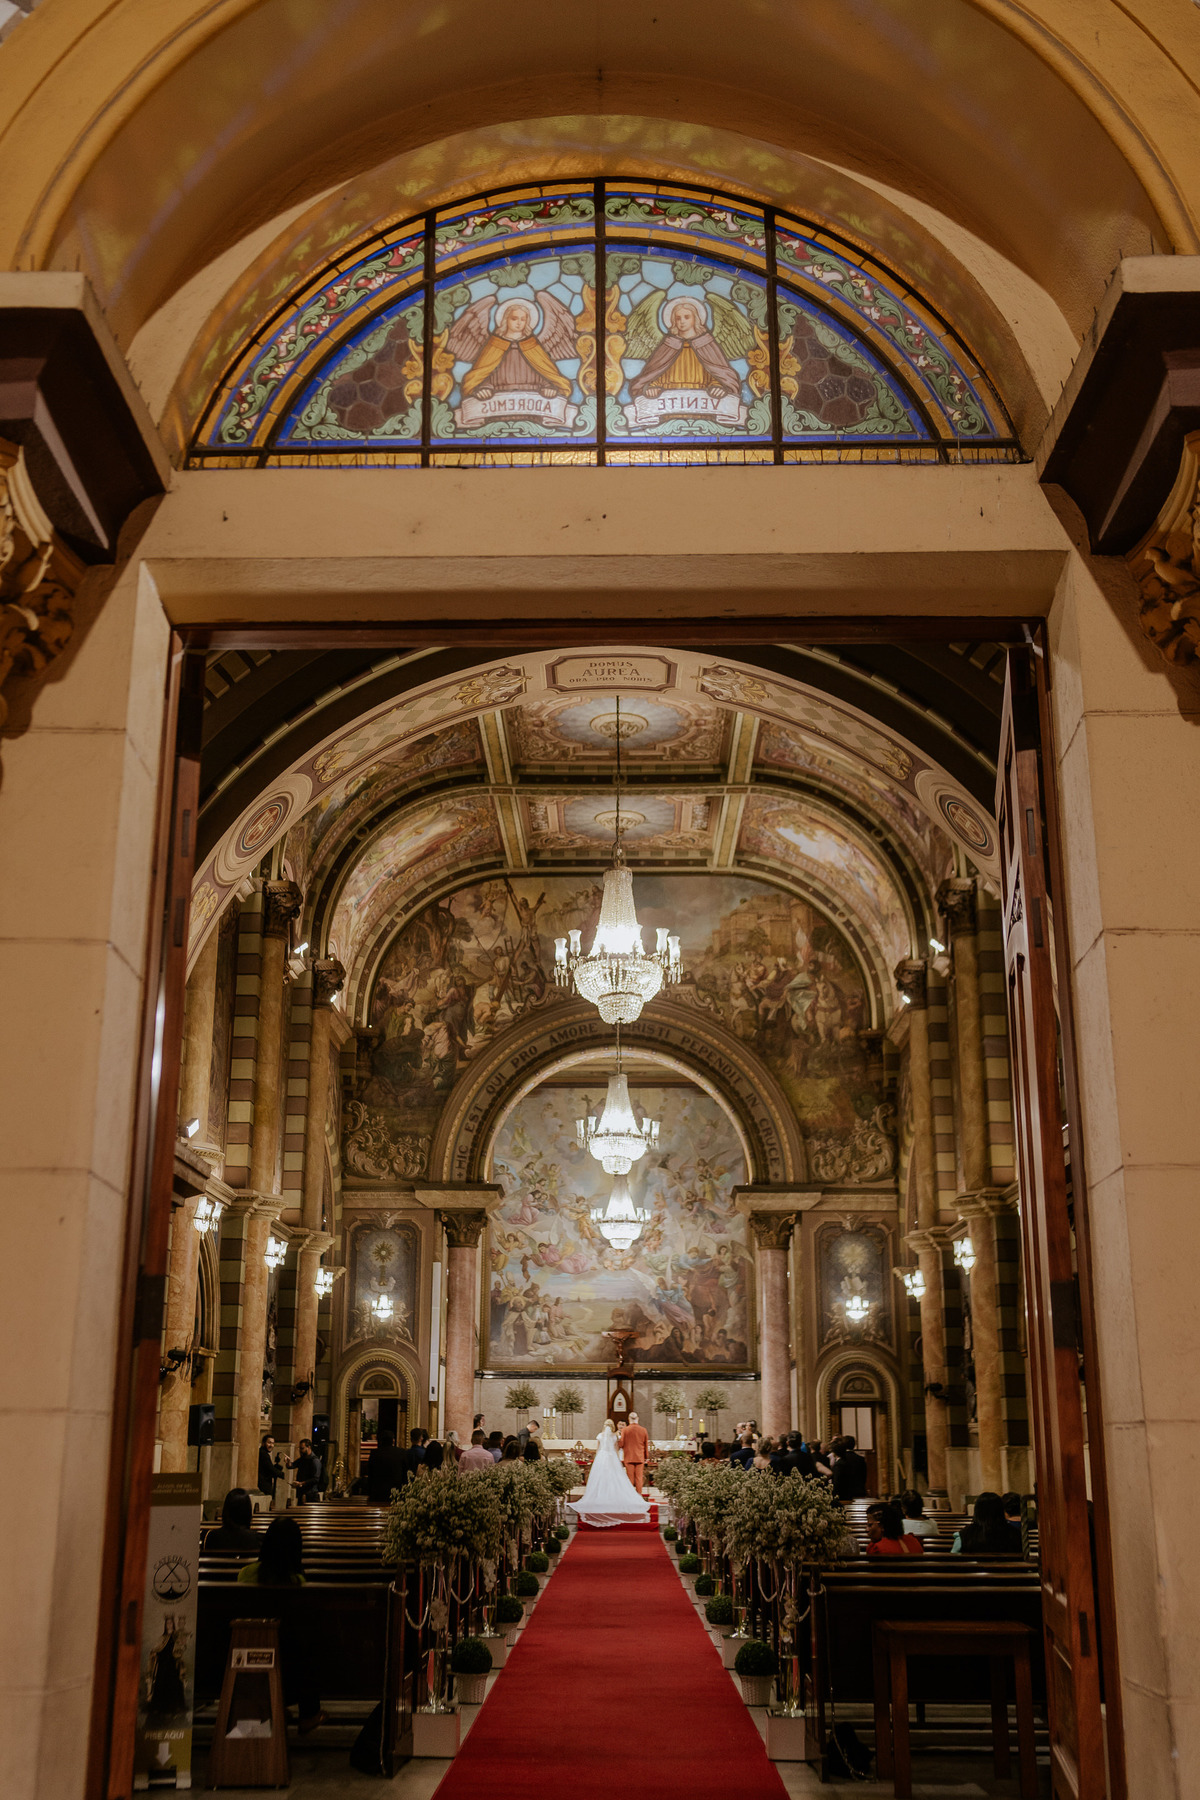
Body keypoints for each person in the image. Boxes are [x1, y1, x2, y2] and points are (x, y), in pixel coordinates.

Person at [237, 1518, 324, 1734]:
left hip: (246, 1659)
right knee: (304, 1646)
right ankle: (309, 1714)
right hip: (293, 1673)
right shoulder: (298, 1582)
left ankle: (274, 1705)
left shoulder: (245, 1575)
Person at [568, 1421, 652, 1527]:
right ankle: (615, 1496)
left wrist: (598, 1459)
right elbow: (616, 1449)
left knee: (600, 1477)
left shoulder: (599, 1435)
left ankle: (601, 1495)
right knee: (614, 1477)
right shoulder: (614, 1436)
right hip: (612, 1457)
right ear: (613, 1426)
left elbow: (598, 1449)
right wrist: (616, 1459)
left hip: (601, 1457)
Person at [952, 1491, 1023, 1556]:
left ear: (977, 1511)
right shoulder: (1015, 1533)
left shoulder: (964, 1535)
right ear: (1000, 1510)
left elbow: (954, 1557)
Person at [365, 1429, 407, 1504]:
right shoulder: (401, 1452)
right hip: (396, 1492)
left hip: (378, 1493)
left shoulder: (375, 1453)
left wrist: (369, 1492)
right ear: (393, 1441)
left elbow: (370, 1474)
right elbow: (405, 1474)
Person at [618, 1412, 650, 1493]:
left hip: (629, 1457)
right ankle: (639, 1496)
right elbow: (646, 1445)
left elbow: (621, 1444)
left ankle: (631, 1496)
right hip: (640, 1457)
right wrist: (646, 1457)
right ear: (637, 1419)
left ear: (629, 1419)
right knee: (639, 1478)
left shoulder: (625, 1430)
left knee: (630, 1478)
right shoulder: (643, 1430)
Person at [831, 1435, 868, 1501]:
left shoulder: (841, 1460)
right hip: (859, 1491)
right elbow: (864, 1476)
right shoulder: (860, 1459)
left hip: (844, 1494)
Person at [287, 1439, 321, 1504]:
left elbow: (316, 1479)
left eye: (302, 1448)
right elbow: (292, 1466)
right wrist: (288, 1462)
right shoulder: (303, 1459)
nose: (300, 1450)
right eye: (299, 1448)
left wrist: (301, 1483)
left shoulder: (315, 1460)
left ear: (309, 1448)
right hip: (301, 1492)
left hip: (311, 1494)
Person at [257, 1435, 283, 1504]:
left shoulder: (264, 1453)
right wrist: (283, 1474)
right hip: (263, 1484)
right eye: (269, 1443)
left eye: (273, 1443)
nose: (271, 1445)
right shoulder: (263, 1454)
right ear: (263, 1443)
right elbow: (270, 1469)